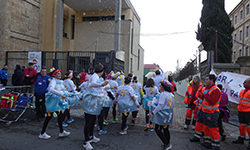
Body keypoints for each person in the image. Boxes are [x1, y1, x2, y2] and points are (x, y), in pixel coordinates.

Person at [190, 74, 221, 150]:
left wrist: (205, 94)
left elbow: (212, 101)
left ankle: (216, 146)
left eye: (207, 79)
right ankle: (207, 142)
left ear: (211, 80)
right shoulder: (207, 88)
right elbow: (202, 98)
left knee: (213, 129)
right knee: (205, 127)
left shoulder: (215, 89)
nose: (205, 81)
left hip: (212, 113)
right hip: (204, 111)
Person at [83, 64, 109, 150]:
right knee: (88, 121)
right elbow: (92, 84)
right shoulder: (94, 77)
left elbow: (97, 88)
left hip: (93, 102)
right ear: (101, 72)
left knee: (93, 119)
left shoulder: (96, 76)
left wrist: (104, 86)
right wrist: (102, 84)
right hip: (90, 102)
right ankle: (86, 141)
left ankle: (91, 136)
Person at [39, 69, 70, 139]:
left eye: (60, 73)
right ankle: (42, 133)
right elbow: (51, 89)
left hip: (56, 102)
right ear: (54, 75)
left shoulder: (58, 81)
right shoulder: (53, 81)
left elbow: (61, 89)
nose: (60, 75)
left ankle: (61, 132)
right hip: (52, 102)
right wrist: (61, 94)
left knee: (60, 116)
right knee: (49, 117)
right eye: (58, 73)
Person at [148, 79, 174, 150]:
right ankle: (167, 144)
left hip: (163, 115)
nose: (159, 87)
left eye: (160, 86)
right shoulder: (171, 94)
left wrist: (152, 113)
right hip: (169, 114)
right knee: (166, 129)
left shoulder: (163, 94)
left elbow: (160, 106)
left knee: (157, 129)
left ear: (163, 87)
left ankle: (166, 144)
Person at [232, 78, 250, 149]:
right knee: (241, 125)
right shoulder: (242, 91)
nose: (243, 83)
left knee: (248, 127)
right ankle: (241, 138)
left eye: (245, 82)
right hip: (241, 111)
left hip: (248, 112)